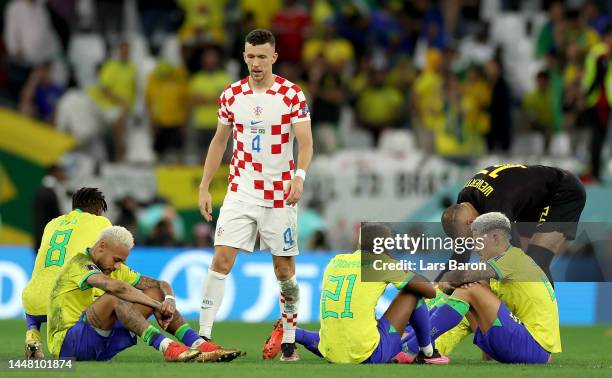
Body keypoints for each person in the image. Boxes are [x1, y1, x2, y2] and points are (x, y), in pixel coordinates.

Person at [197, 29, 313, 361]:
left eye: (262, 56)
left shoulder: (292, 95)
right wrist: (205, 186)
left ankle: (289, 337)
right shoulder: (231, 95)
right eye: (250, 56)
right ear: (244, 56)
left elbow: (305, 143)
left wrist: (299, 177)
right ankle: (203, 336)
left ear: (274, 57)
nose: (256, 63)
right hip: (240, 192)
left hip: (280, 195)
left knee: (284, 271)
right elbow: (220, 141)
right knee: (220, 260)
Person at [48, 226, 242, 362]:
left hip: (102, 346)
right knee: (114, 297)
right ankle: (167, 348)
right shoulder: (78, 263)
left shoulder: (115, 268)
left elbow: (161, 284)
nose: (118, 266)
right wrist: (157, 307)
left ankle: (199, 344)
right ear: (101, 247)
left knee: (155, 292)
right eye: (116, 260)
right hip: (68, 345)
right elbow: (117, 288)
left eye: (121, 262)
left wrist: (168, 301)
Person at [262, 223, 448, 364]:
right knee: (412, 295)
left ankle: (291, 332)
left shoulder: (336, 261)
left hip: (330, 352)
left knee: (340, 332)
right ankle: (428, 353)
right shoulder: (381, 262)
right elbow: (429, 291)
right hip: (366, 354)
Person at [429, 212, 561, 364]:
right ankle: (418, 343)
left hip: (535, 349)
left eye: (478, 242)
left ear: (496, 238)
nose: (475, 249)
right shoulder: (505, 268)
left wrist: (448, 278)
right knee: (471, 291)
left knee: (470, 288)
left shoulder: (513, 259)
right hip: (526, 345)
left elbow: (466, 276)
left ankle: (417, 346)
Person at [441, 164, 586, 283]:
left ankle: (547, 317)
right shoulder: (463, 204)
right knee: (518, 267)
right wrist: (435, 290)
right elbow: (460, 256)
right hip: (532, 202)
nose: (473, 243)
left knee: (534, 264)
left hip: (562, 193)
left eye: (472, 239)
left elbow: (512, 254)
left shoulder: (497, 207)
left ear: (471, 223)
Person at [23, 187, 110, 358]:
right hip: (65, 306)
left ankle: (32, 336)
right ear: (99, 210)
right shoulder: (101, 223)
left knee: (37, 294)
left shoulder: (52, 223)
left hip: (32, 302)